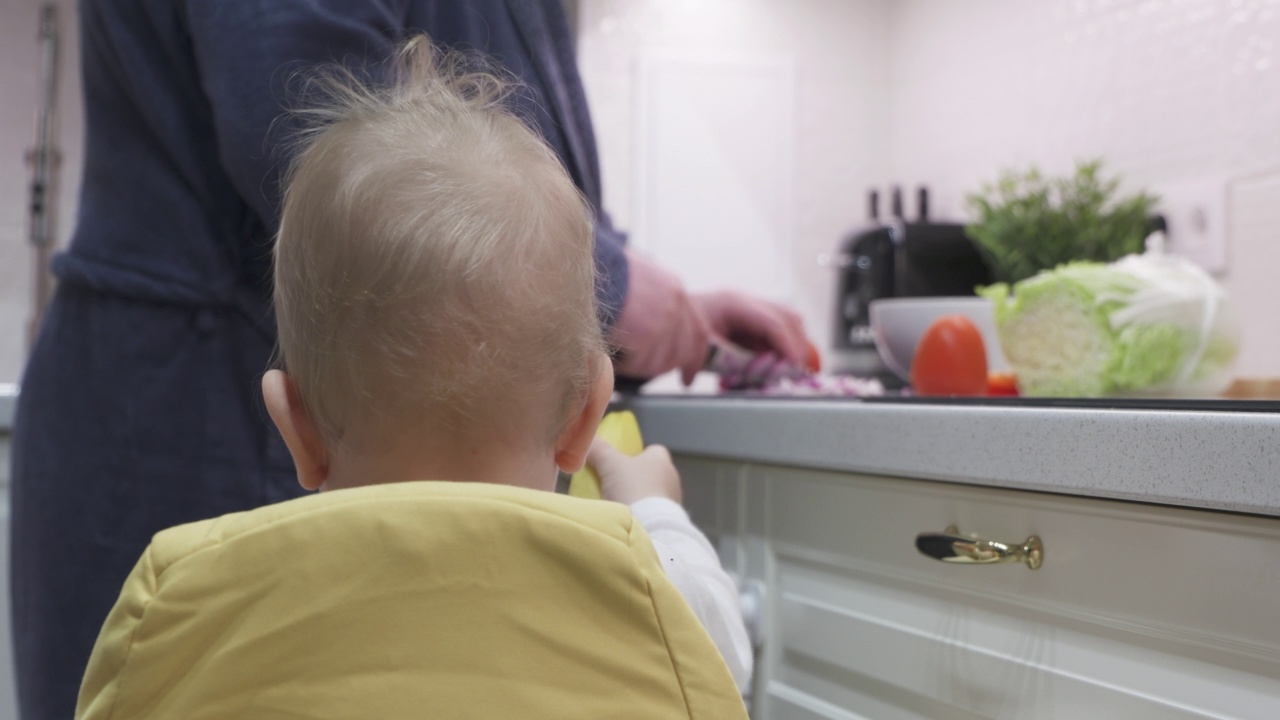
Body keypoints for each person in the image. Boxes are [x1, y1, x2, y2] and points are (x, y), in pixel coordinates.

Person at [10, 2, 808, 717]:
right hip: (186, 395)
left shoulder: (171, 597)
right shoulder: (650, 585)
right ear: (584, 416)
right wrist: (656, 513)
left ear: (295, 424)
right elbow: (712, 644)